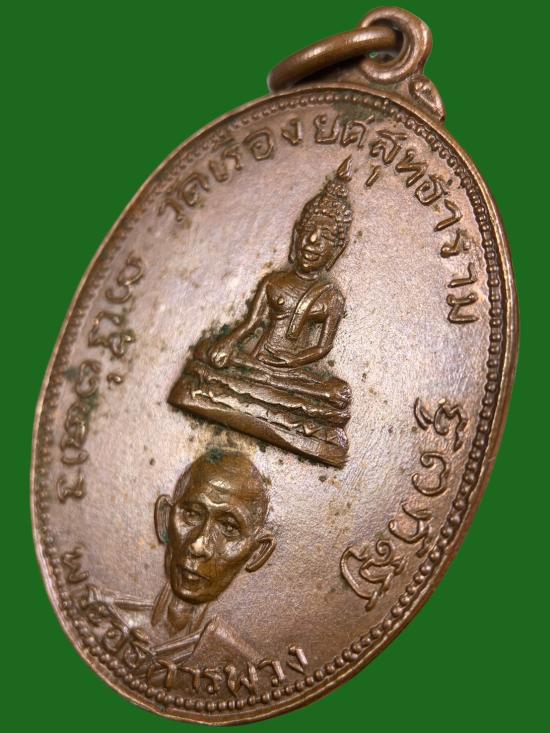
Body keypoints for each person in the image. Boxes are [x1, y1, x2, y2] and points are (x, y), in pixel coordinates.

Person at [169, 157, 354, 467]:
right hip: (255, 361)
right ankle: (258, 404)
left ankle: (249, 405)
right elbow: (251, 324)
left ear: (336, 249)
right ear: (296, 235)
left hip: (293, 374)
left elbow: (322, 347)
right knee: (206, 355)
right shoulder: (274, 281)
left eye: (323, 238)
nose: (311, 242)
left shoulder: (330, 296)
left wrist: (293, 361)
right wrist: (226, 343)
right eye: (308, 232)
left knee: (336, 396)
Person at [104, 450, 275, 668]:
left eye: (229, 528)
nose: (198, 544)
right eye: (192, 515)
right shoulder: (106, 615)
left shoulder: (244, 666)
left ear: (257, 552)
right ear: (165, 518)